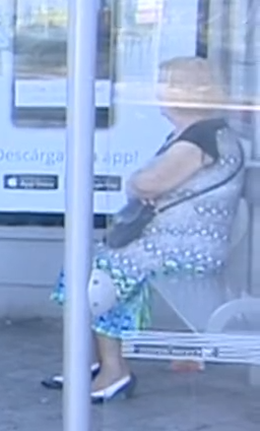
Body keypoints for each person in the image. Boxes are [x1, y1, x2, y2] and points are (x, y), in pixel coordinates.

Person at [43, 56, 243, 403]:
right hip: (170, 241)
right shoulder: (194, 134)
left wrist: (135, 183)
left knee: (105, 274)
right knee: (85, 265)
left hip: (186, 247)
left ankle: (113, 371)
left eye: (169, 85)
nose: (160, 92)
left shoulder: (202, 138)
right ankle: (90, 362)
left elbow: (148, 183)